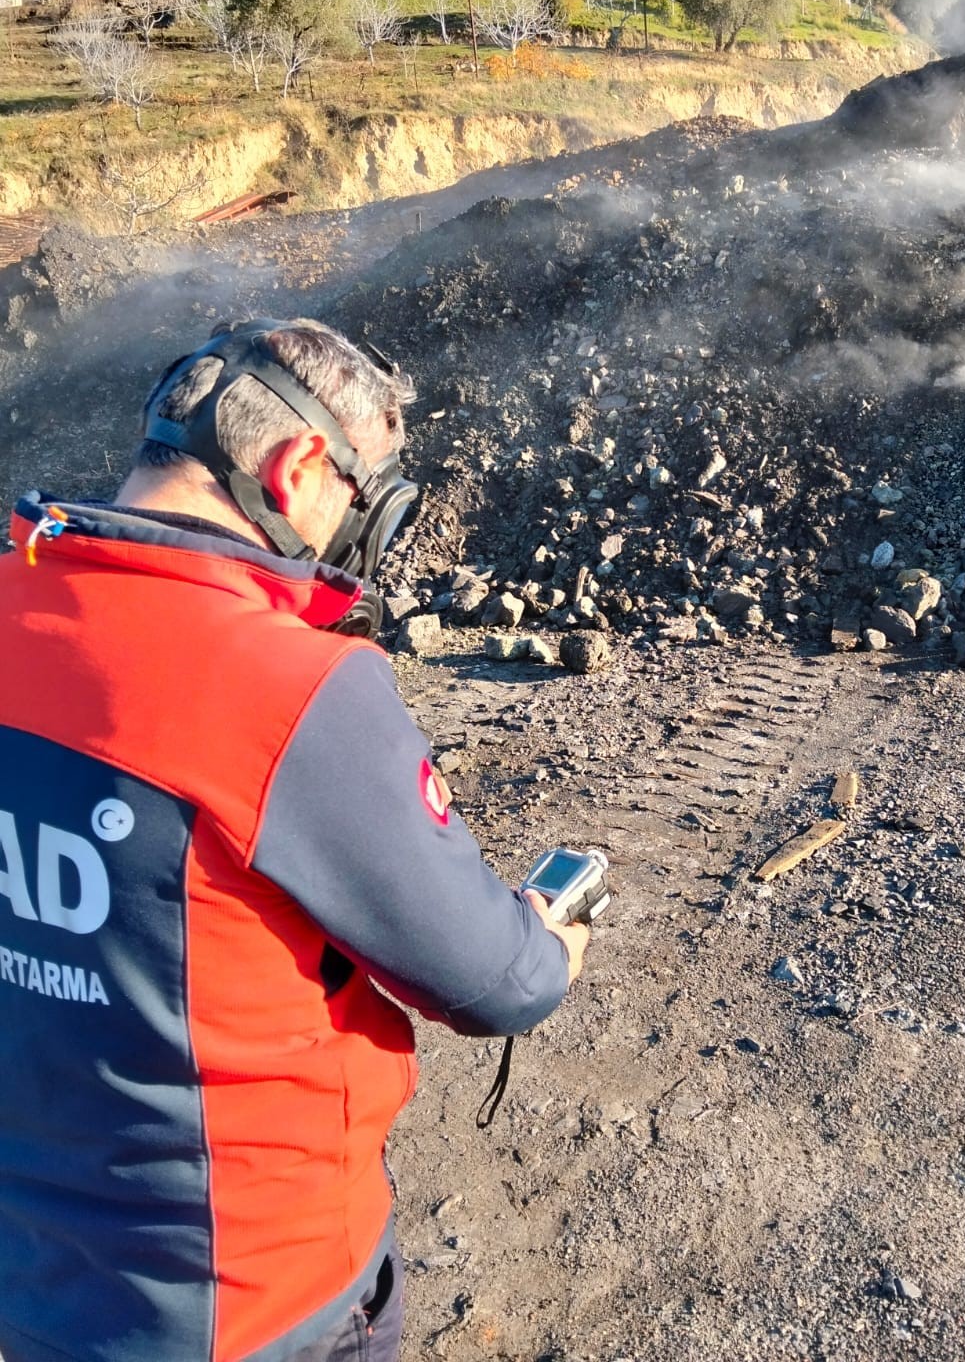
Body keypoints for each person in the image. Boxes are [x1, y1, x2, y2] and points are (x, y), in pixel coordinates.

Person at [0, 317, 589, 1362]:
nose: (352, 532)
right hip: (248, 1294)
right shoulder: (293, 690)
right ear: (299, 463)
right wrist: (546, 939)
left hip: (36, 1275)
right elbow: (497, 982)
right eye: (359, 499)